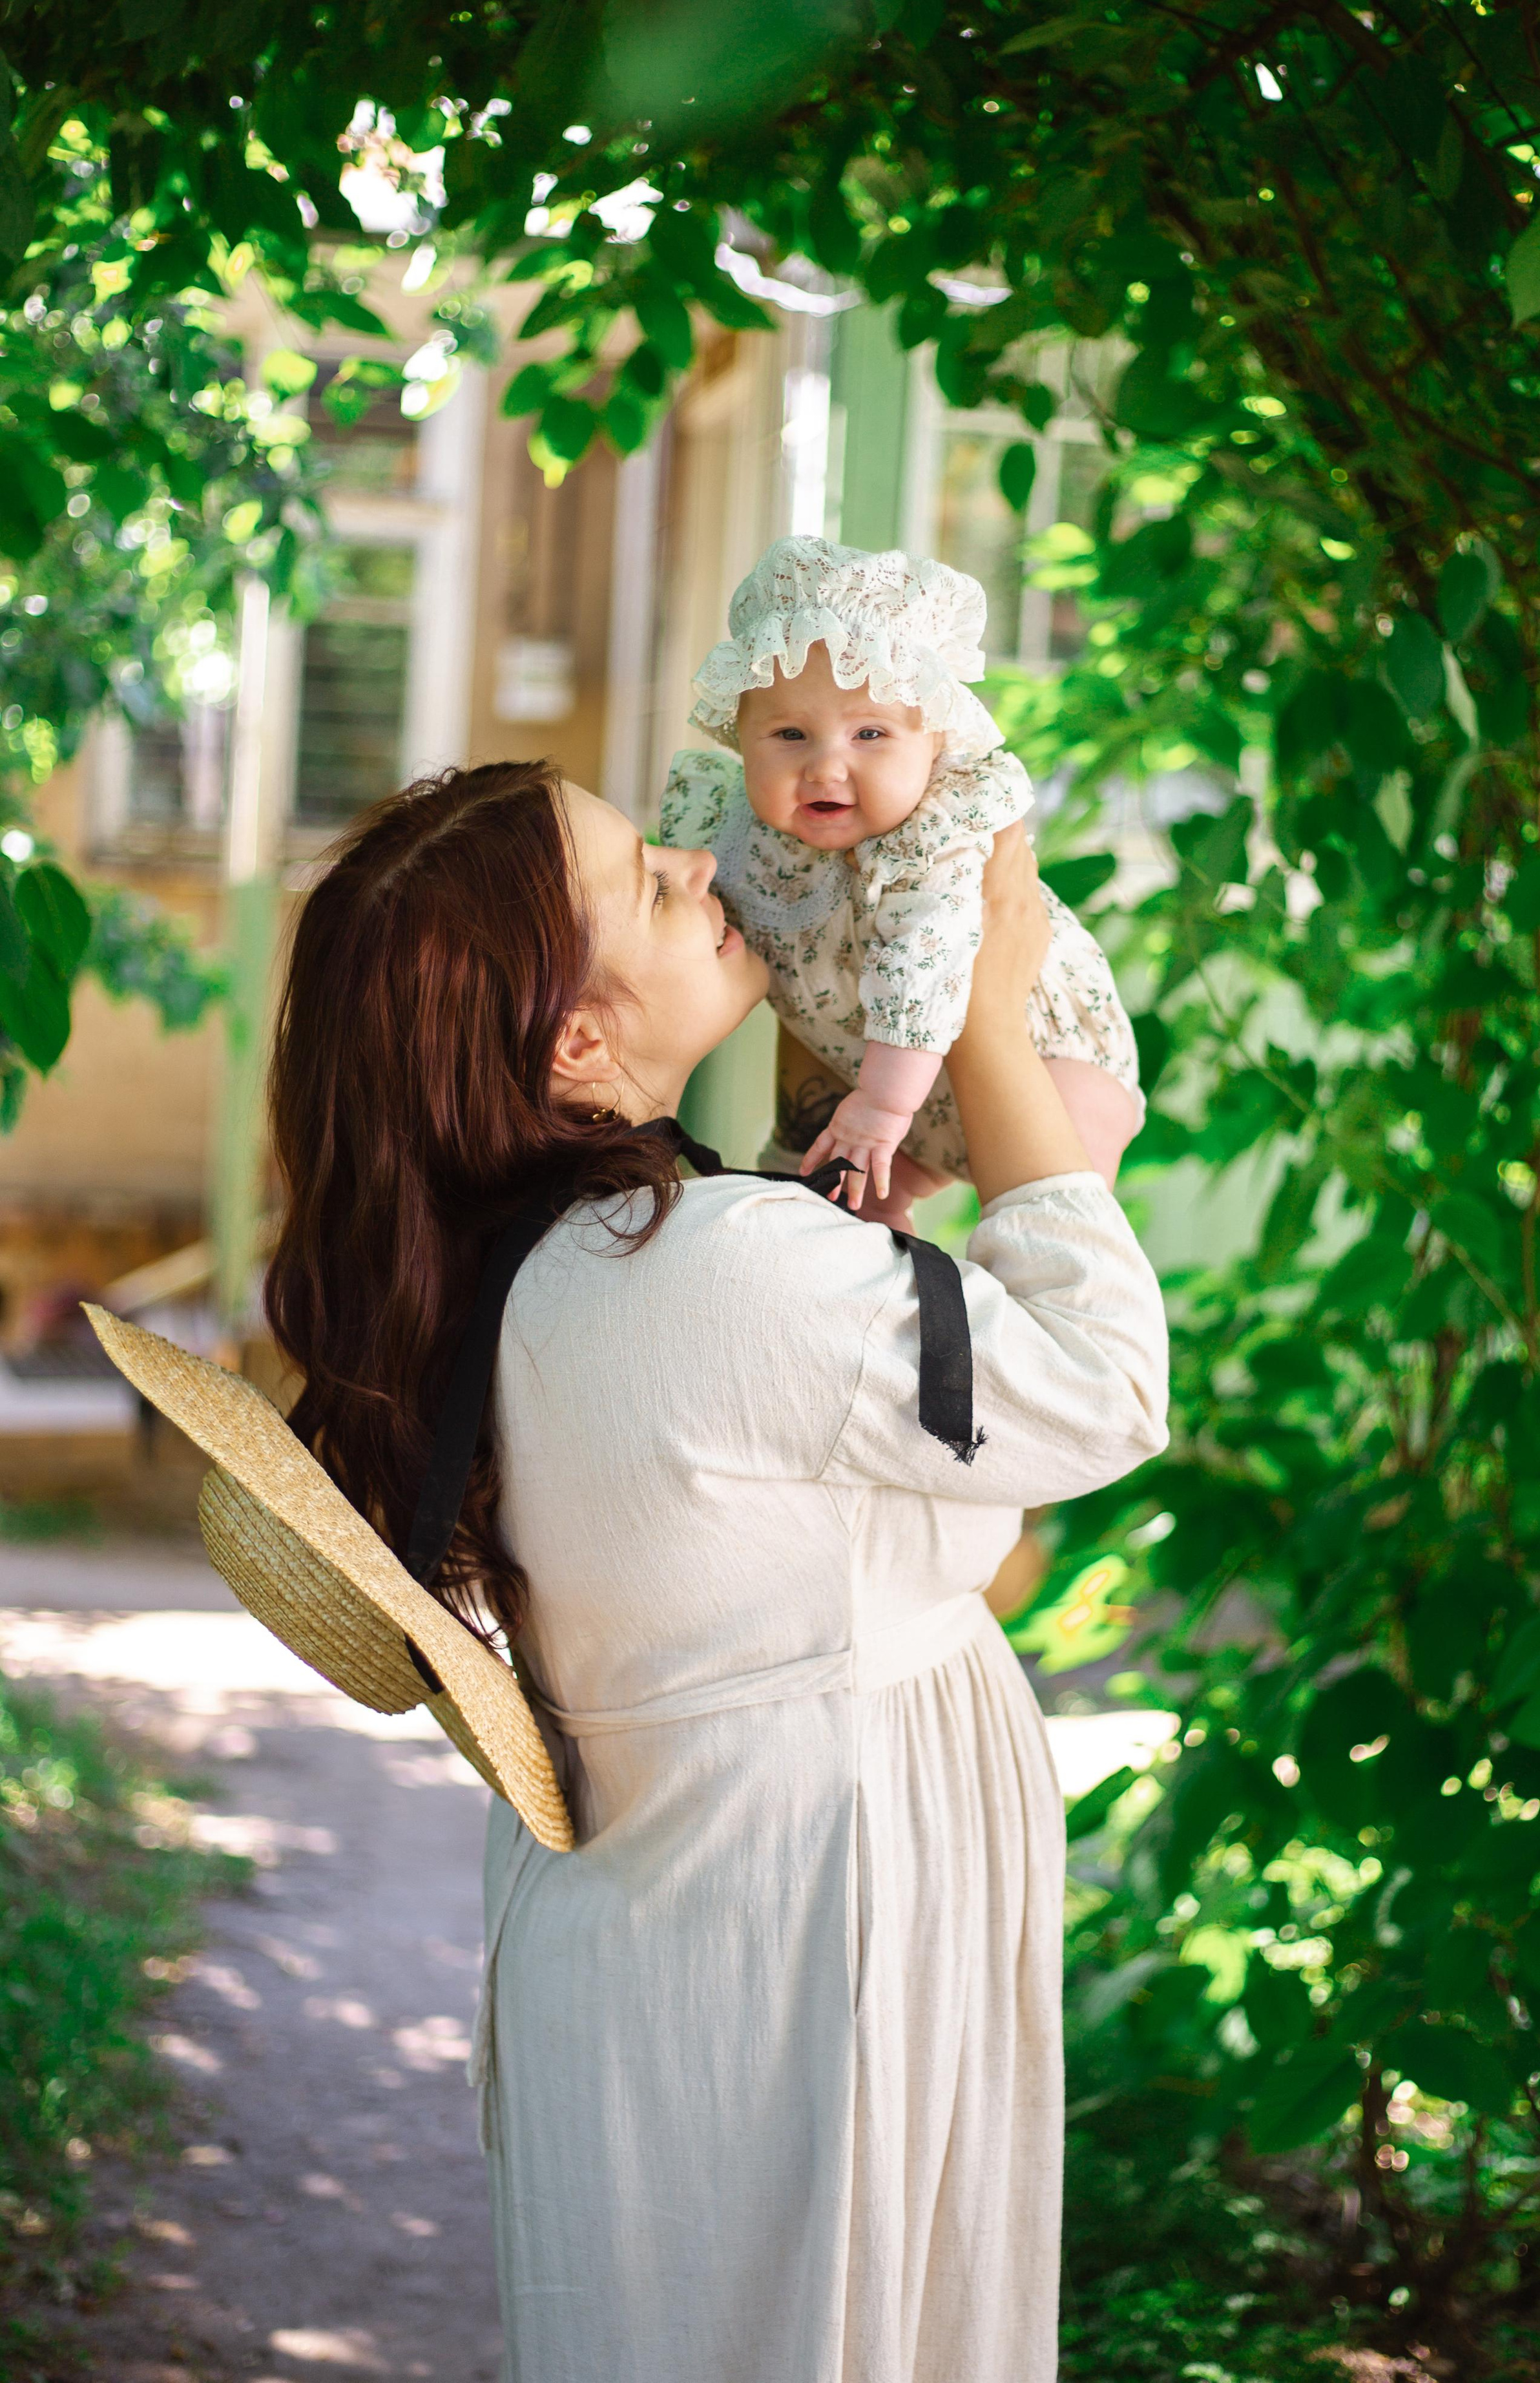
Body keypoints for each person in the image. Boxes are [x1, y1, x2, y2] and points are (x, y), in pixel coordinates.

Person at [263, 760, 1169, 2383]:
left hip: (693, 1927)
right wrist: (978, 1014)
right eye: (647, 882)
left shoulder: (552, 1259)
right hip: (798, 1933)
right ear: (575, 1043)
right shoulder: (701, 1264)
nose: (701, 862)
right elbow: (1101, 1390)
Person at [661, 535, 1143, 1215]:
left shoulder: (933, 836)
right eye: (789, 735)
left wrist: (883, 1109)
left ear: (936, 742)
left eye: (870, 735)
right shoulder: (733, 829)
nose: (826, 767)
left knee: (1057, 1201)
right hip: (885, 1085)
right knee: (855, 1208)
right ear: (740, 736)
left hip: (1042, 1057)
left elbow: (926, 960)